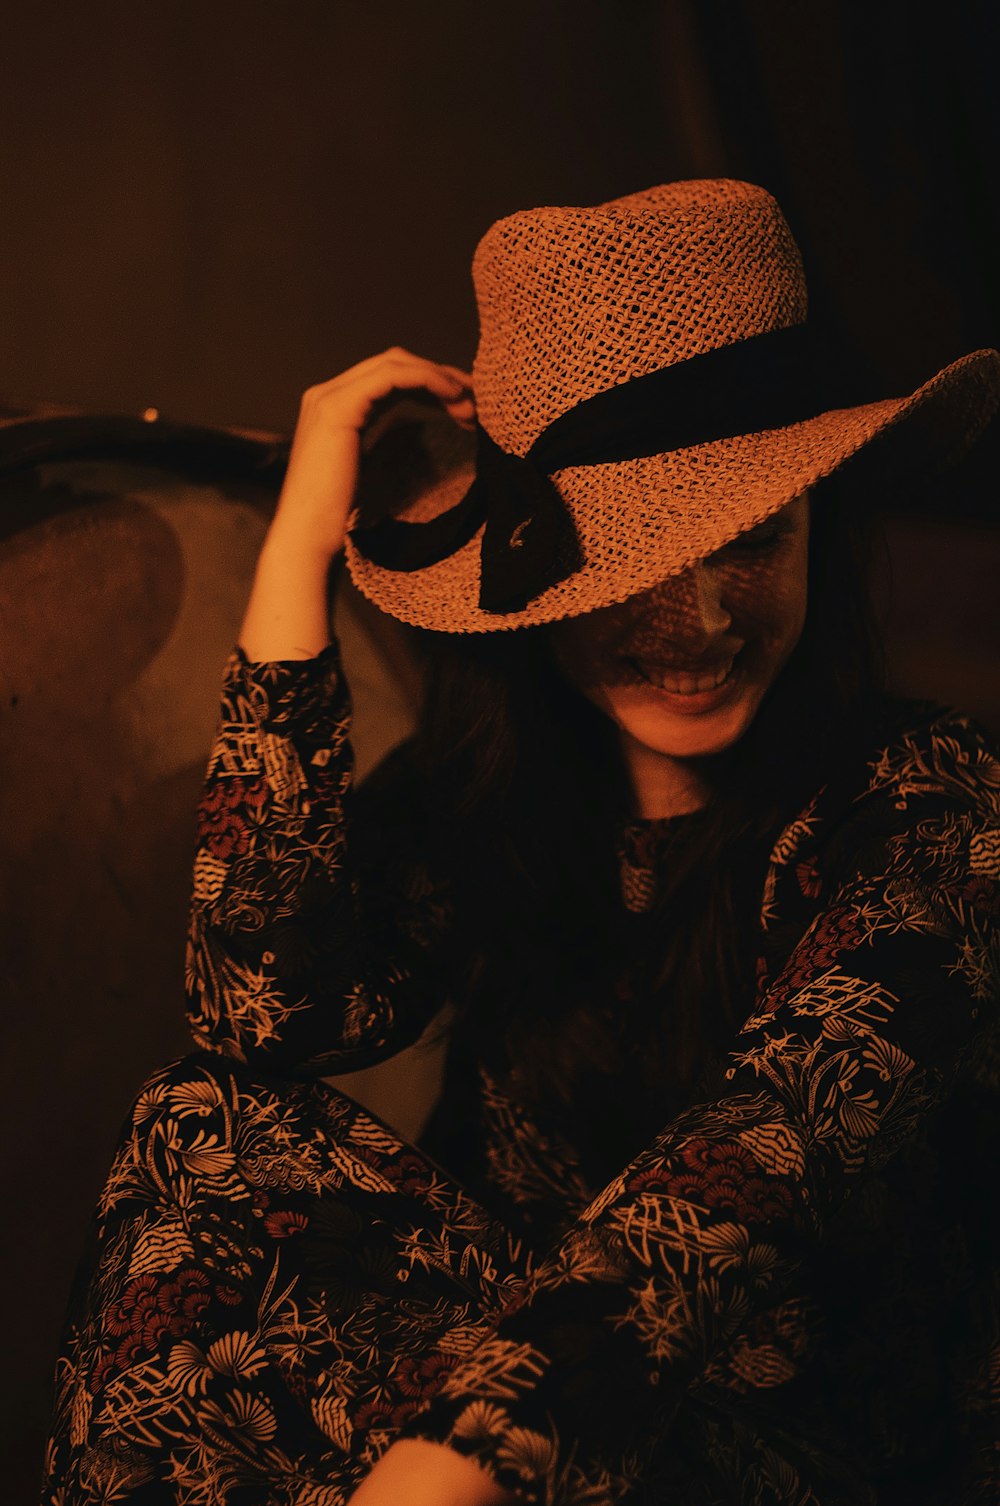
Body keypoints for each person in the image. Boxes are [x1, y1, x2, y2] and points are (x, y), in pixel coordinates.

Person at [43, 180, 1000, 1506]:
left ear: (817, 530)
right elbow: (256, 1010)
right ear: (534, 569)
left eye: (753, 539)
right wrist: (293, 569)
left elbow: (754, 1172)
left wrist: (457, 1460)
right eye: (633, 561)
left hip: (801, 1453)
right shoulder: (496, 796)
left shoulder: (935, 801)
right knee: (196, 1129)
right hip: (512, 1420)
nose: (705, 620)